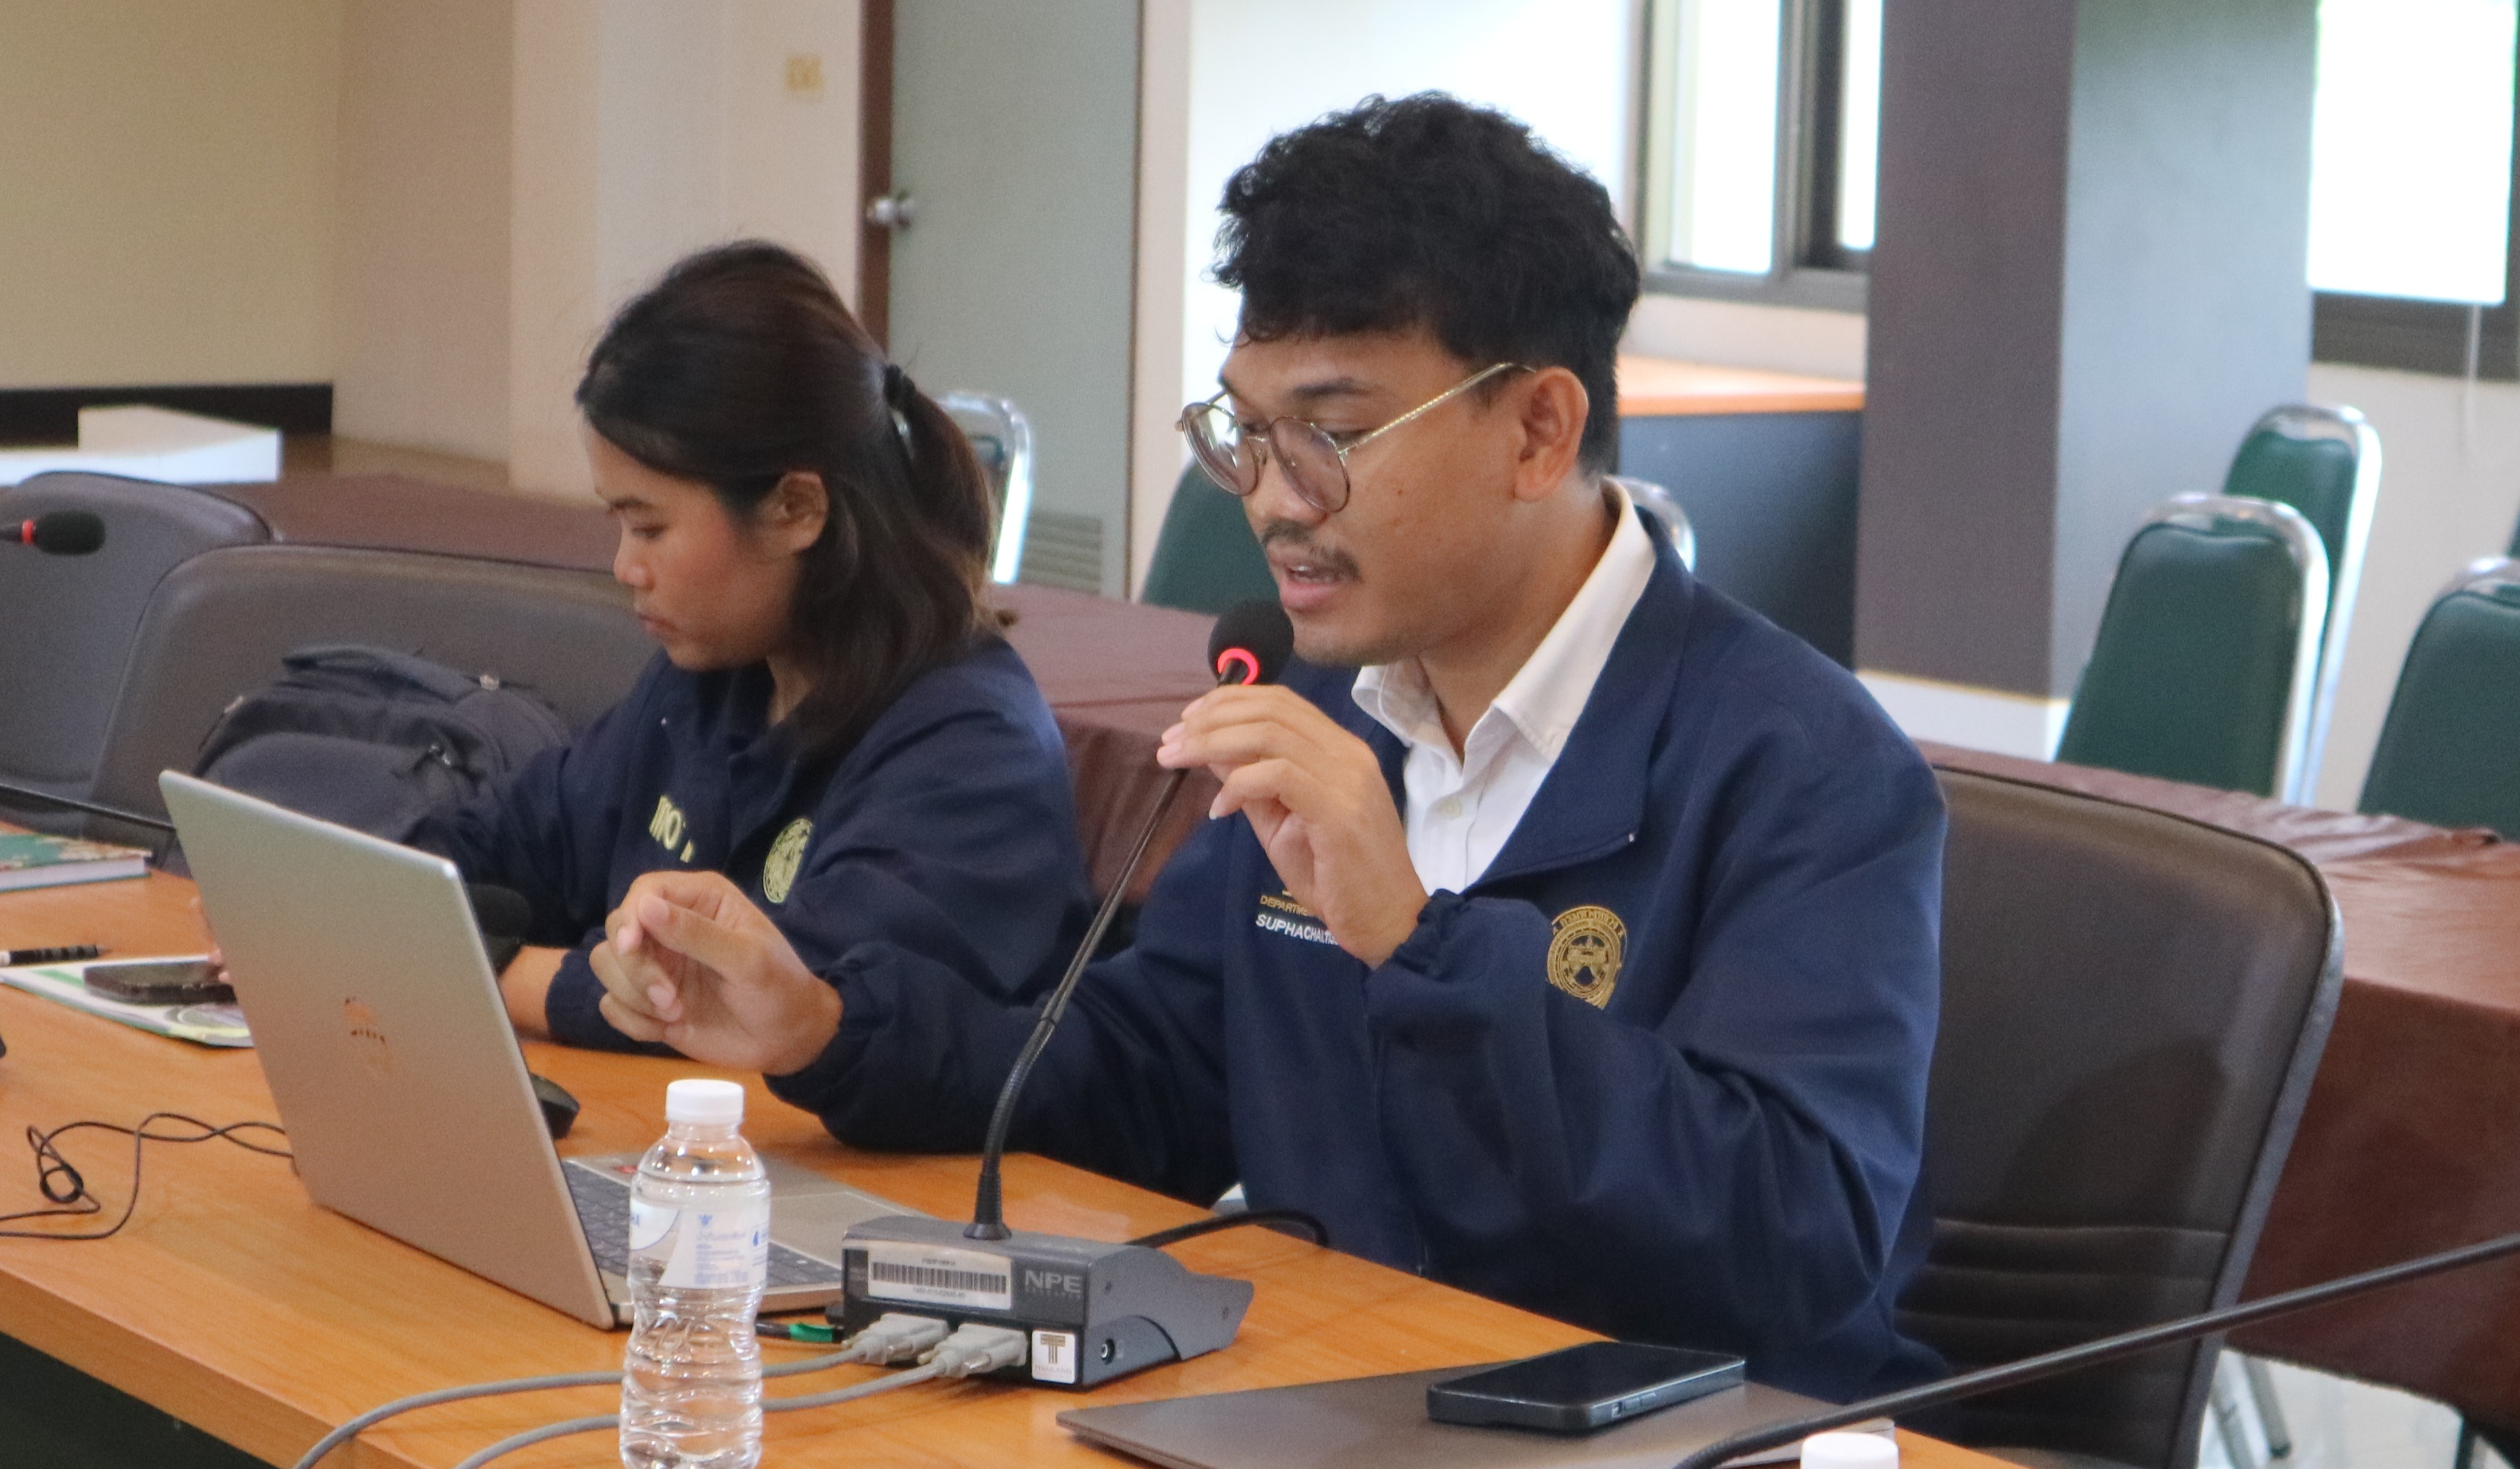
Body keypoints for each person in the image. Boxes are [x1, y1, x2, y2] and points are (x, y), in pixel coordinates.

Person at [584, 97, 1945, 1400]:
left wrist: (1412, 939)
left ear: (1537, 429)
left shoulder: (1804, 766)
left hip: (1668, 1457)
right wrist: (829, 1023)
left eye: (1334, 436)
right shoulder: (1335, 701)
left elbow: (1795, 1236)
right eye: (1245, 432)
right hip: (1337, 1404)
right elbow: (1146, 1079)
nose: (1273, 501)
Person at [414, 240, 1094, 1050]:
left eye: (649, 526)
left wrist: (478, 969)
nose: (626, 567)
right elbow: (501, 843)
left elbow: (759, 1012)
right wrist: (396, 908)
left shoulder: (971, 755)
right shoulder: (709, 680)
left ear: (796, 509)